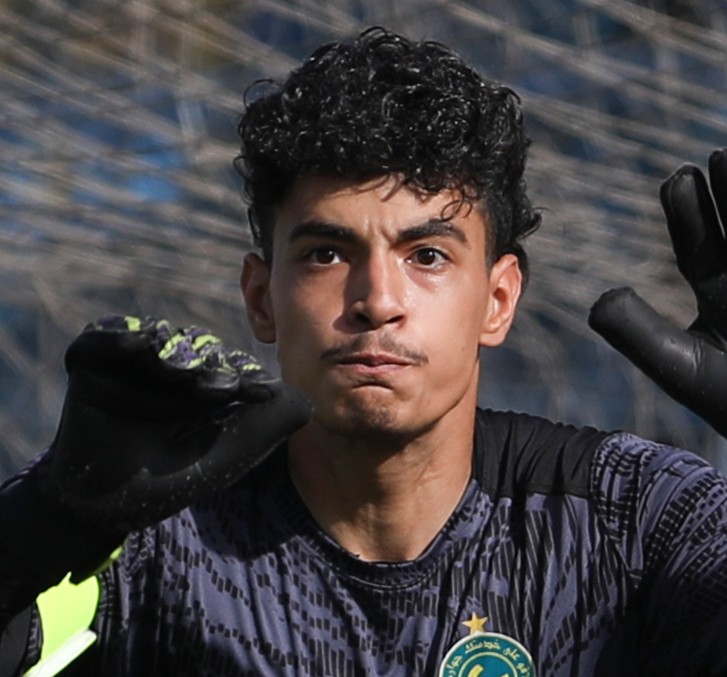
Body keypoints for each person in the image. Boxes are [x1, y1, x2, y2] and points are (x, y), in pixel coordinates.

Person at [1, 26, 726, 677]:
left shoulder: (636, 520)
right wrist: (48, 519)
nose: (377, 299)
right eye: (326, 253)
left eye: (427, 255)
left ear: (498, 300)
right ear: (261, 298)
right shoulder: (151, 537)